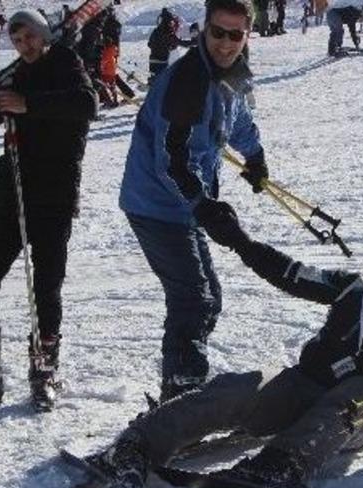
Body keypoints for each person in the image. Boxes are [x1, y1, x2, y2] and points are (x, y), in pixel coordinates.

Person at [92, 212, 363, 488]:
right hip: (302, 388)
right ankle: (137, 445)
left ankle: (283, 465)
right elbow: (290, 273)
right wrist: (239, 241)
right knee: (240, 389)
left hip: (344, 425)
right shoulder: (352, 289)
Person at [0, 9, 96, 411]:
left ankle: (44, 372)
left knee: (45, 286)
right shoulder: (11, 76)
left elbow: (87, 103)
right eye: (17, 39)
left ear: (44, 36)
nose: (24, 45)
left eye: (30, 37)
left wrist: (29, 104)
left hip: (53, 196)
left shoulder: (65, 63)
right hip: (11, 194)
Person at [119, 0, 268, 402]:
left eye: (235, 35)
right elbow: (171, 160)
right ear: (204, 30)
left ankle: (184, 384)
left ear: (246, 35)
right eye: (218, 32)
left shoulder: (231, 74)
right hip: (156, 202)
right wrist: (203, 205)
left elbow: (236, 119)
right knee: (193, 298)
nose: (225, 43)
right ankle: (181, 396)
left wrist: (254, 155)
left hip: (183, 204)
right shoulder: (189, 80)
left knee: (208, 299)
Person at [146, 8, 182, 83]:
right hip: (162, 62)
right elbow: (181, 43)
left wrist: (158, 47)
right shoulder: (169, 34)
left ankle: (152, 81)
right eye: (171, 22)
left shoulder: (155, 31)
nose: (172, 24)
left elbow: (149, 44)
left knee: (156, 75)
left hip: (152, 60)